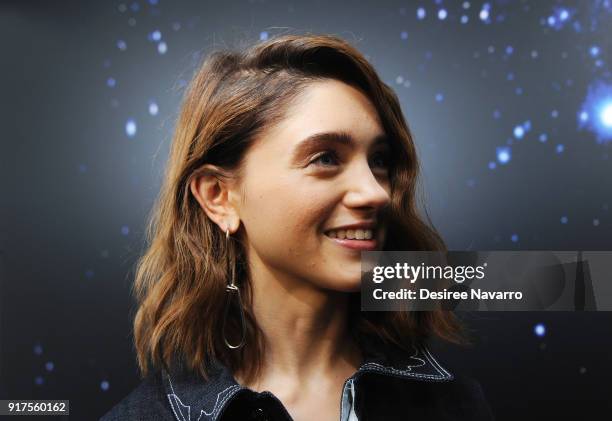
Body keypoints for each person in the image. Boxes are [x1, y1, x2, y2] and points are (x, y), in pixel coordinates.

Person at [101, 33, 494, 421]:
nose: (375, 193)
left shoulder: (452, 404)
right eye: (325, 158)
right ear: (219, 196)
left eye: (379, 161)